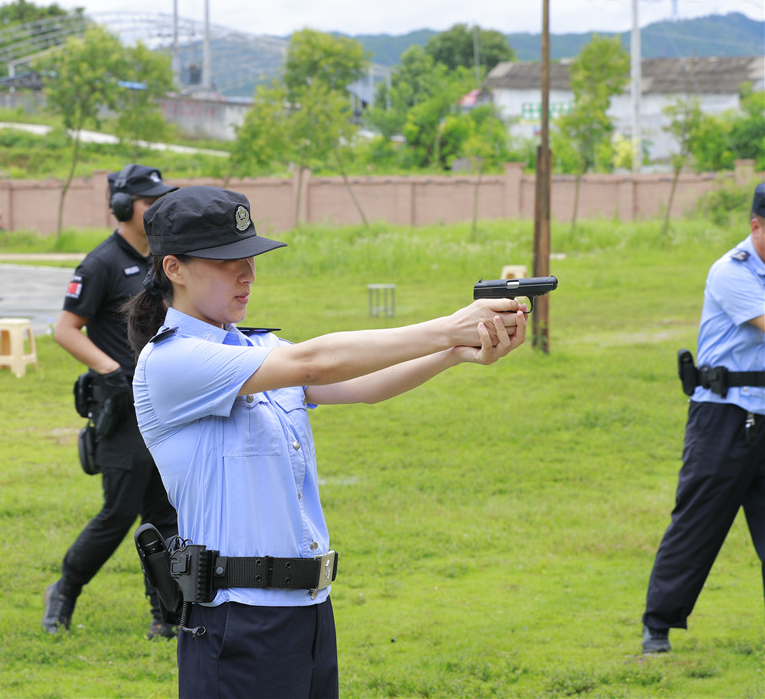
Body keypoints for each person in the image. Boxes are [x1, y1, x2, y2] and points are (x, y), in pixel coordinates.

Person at [127, 185, 528, 698]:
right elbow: (314, 362)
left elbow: (360, 387)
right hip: (236, 621)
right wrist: (449, 328)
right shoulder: (172, 361)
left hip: (308, 613)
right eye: (226, 261)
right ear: (173, 269)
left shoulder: (258, 347)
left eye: (250, 257)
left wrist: (459, 351)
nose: (247, 273)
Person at [43, 164, 180, 639]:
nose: (157, 209)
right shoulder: (101, 263)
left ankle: (167, 614)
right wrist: (111, 372)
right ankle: (65, 590)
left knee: (165, 514)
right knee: (119, 512)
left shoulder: (165, 259)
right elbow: (65, 329)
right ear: (124, 208)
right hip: (123, 410)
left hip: (163, 407)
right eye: (149, 202)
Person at [641, 183, 765, 654]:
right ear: (756, 226)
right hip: (723, 415)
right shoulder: (730, 272)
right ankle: (659, 624)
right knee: (699, 522)